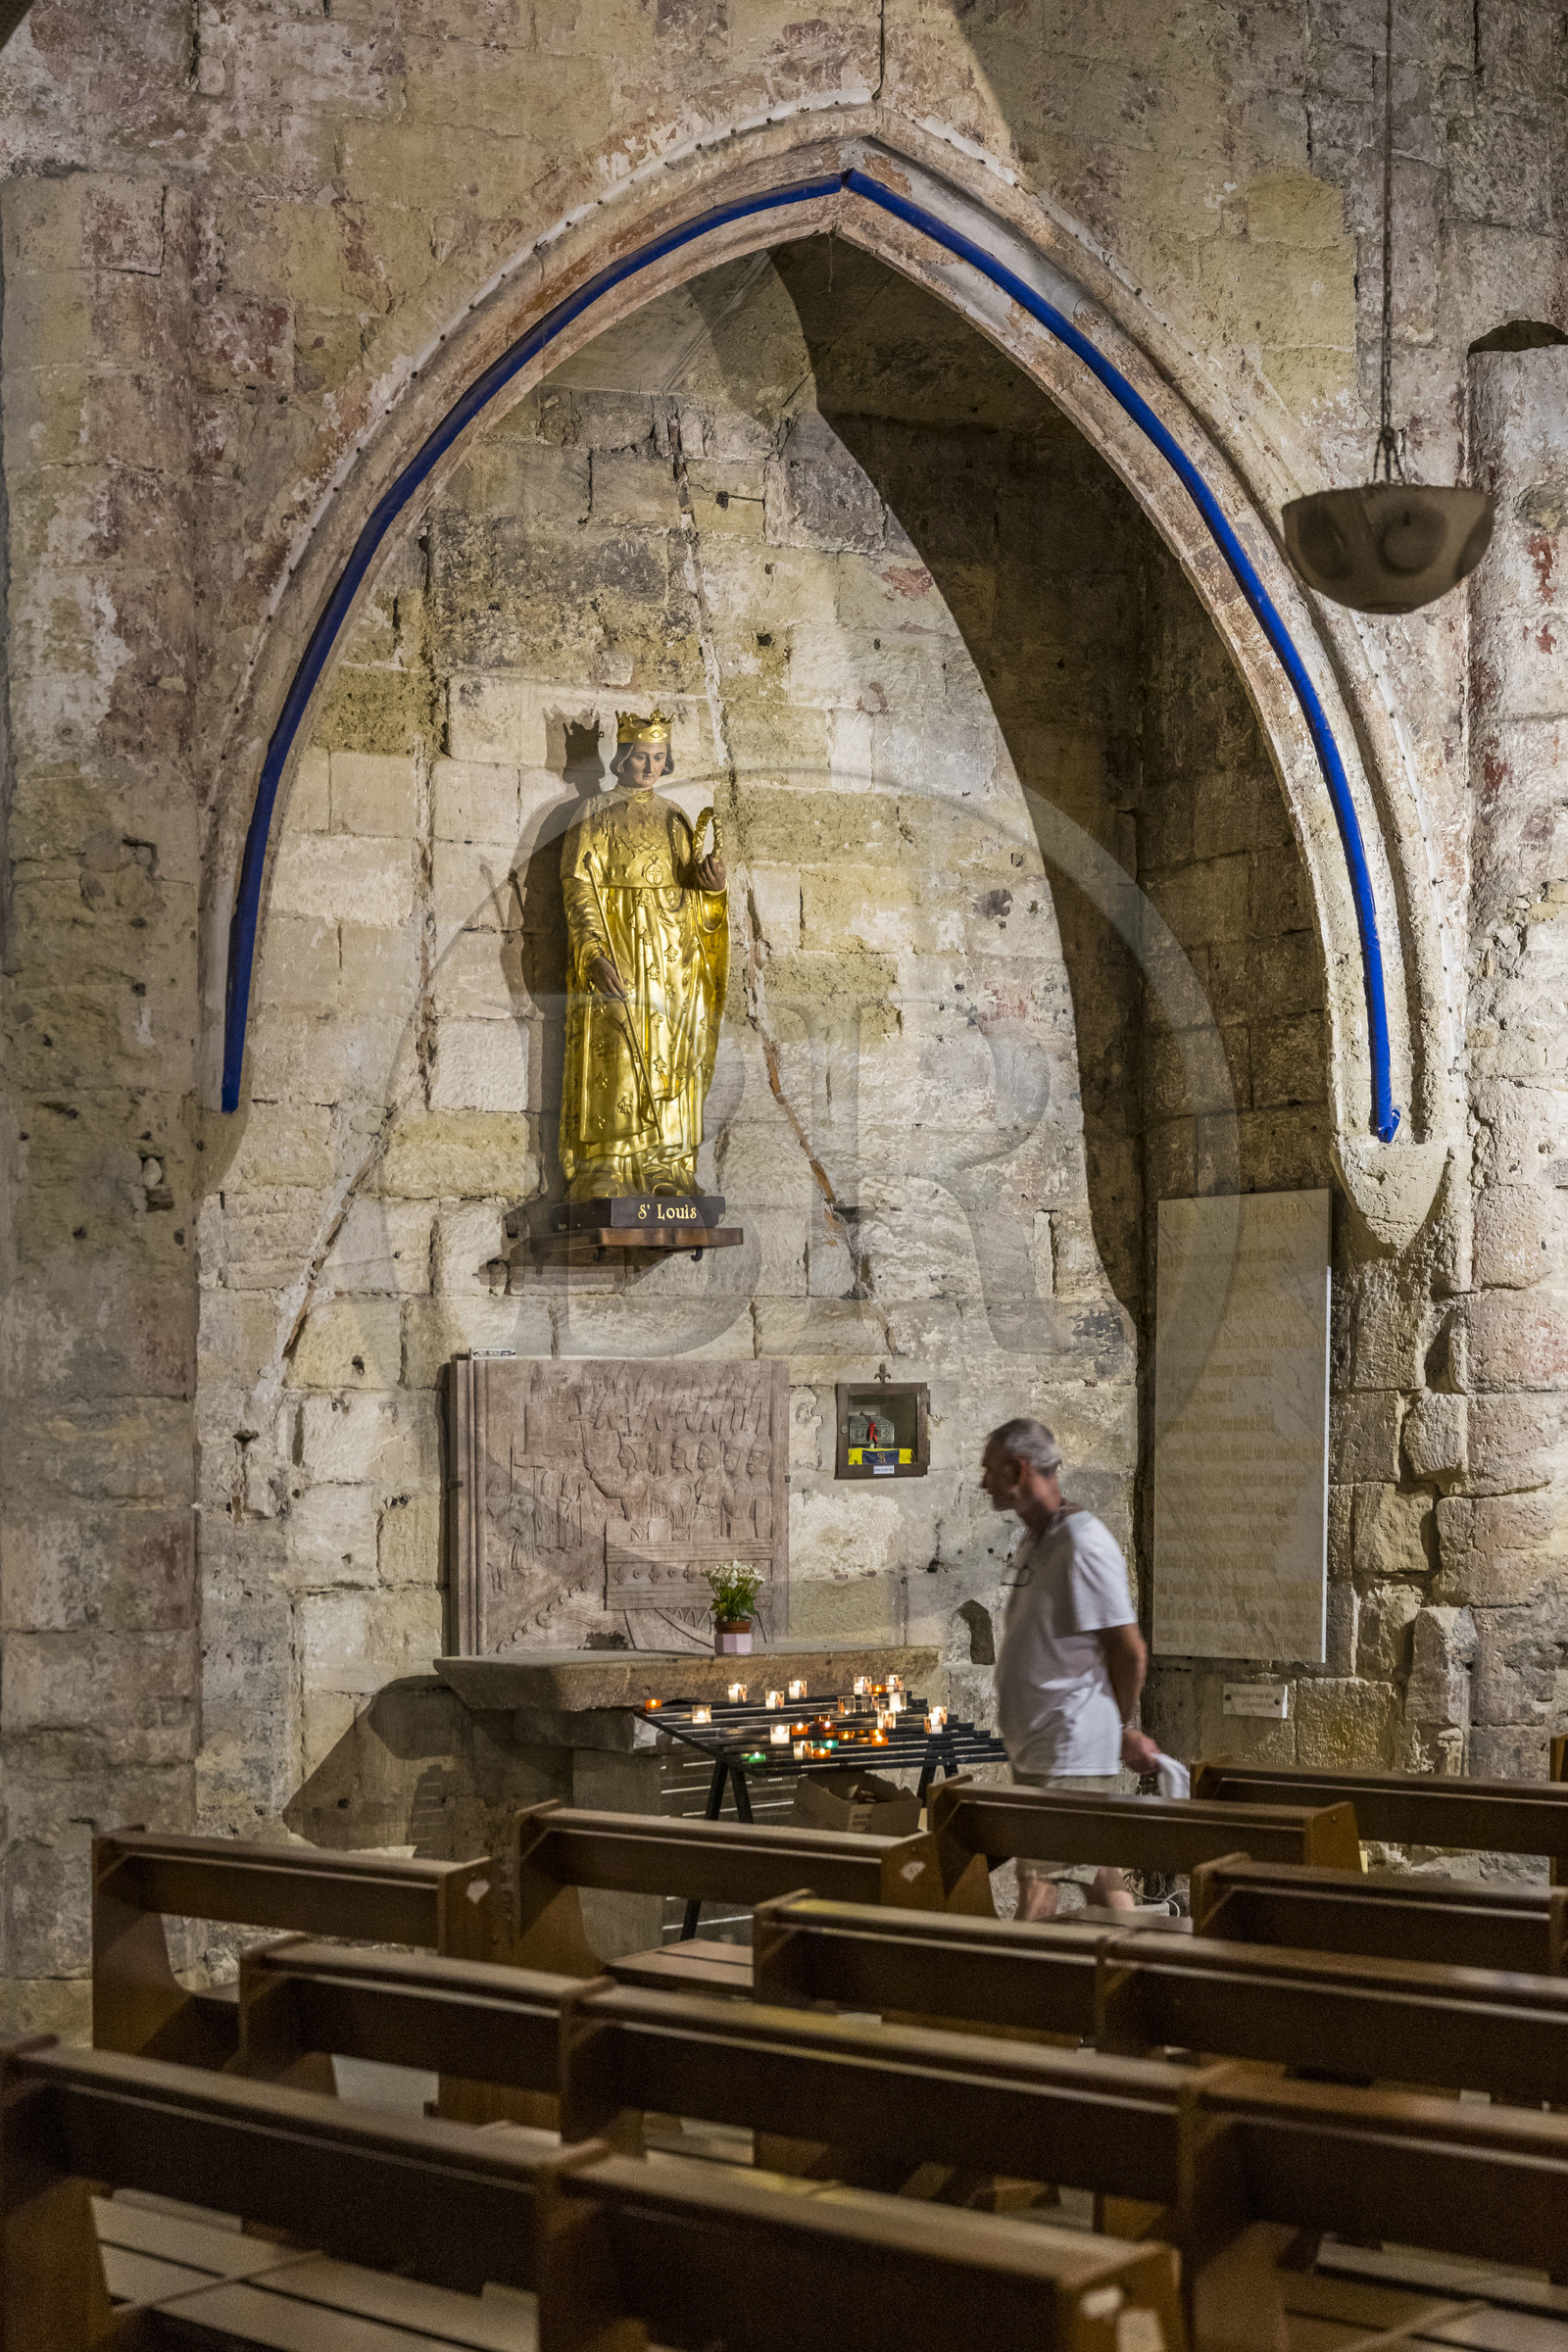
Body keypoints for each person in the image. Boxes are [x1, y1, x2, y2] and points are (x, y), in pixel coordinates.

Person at [981, 1417, 1159, 1920]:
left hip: (1067, 1744)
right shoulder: (1039, 1539)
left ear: (1019, 1469)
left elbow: (1129, 1650)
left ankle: (1021, 1969)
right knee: (1097, 1870)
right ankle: (1140, 1959)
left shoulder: (1084, 1542)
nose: (983, 1481)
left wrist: (1119, 1728)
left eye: (990, 1469)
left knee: (1038, 1885)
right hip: (1043, 1743)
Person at [559, 709, 728, 1200]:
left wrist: (713, 890)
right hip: (620, 948)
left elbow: (693, 898)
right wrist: (593, 953)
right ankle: (605, 1166)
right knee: (616, 1054)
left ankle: (665, 1168)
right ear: (622, 759)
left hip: (673, 961)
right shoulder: (593, 813)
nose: (650, 767)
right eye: (640, 757)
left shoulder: (676, 818)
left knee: (671, 1058)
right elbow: (578, 887)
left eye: (658, 758)